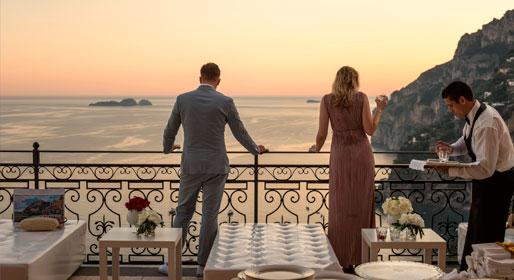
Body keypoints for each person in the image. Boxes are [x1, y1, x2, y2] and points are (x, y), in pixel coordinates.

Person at [161, 62, 268, 276]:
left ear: (199, 79)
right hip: (216, 167)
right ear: (218, 80)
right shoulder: (225, 101)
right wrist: (256, 150)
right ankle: (203, 266)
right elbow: (240, 132)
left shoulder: (183, 99)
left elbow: (170, 129)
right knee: (210, 217)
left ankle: (172, 263)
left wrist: (167, 149)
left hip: (191, 165)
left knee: (183, 212)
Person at [309, 66, 388, 271]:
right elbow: (370, 130)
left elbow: (321, 134)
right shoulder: (361, 98)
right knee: (362, 206)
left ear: (337, 80)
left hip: (341, 156)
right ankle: (363, 262)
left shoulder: (327, 100)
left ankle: (341, 260)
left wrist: (315, 148)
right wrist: (379, 109)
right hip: (362, 155)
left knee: (340, 207)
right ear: (355, 80)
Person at [434, 81, 514, 271]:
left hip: (497, 184)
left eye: (451, 105)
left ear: (462, 100)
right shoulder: (475, 116)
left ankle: (485, 274)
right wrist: (452, 149)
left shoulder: (487, 123)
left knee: (486, 238)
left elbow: (485, 168)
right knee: (476, 234)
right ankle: (470, 274)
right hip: (486, 183)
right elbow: (467, 140)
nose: (450, 110)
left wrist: (451, 170)